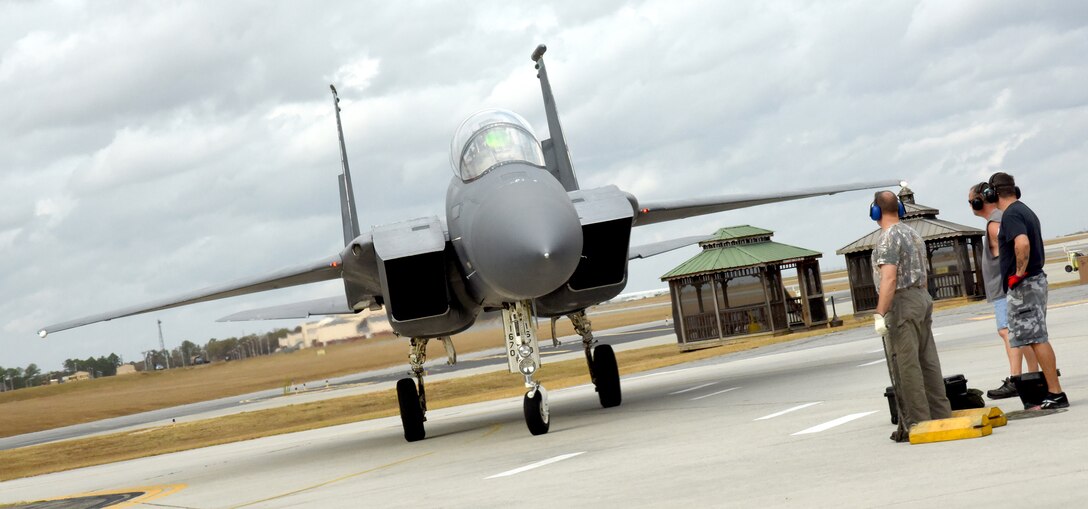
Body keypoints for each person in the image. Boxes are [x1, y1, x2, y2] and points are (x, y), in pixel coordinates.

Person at [870, 190, 951, 441]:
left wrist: (880, 313)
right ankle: (941, 414)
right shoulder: (913, 233)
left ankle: (917, 422)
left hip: (902, 302)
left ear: (875, 211)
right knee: (928, 360)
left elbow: (889, 277)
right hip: (921, 298)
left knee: (906, 365)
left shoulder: (887, 239)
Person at [988, 172, 1068, 409]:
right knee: (1034, 338)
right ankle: (1050, 391)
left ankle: (1055, 392)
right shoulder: (1024, 210)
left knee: (1036, 338)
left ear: (992, 193)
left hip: (1026, 284)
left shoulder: (1011, 214)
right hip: (1033, 282)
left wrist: (1018, 273)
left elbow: (1021, 243)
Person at [967, 183, 1038, 399]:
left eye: (971, 202)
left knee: (1007, 331)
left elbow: (1012, 249)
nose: (971, 206)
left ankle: (1016, 378)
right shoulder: (998, 219)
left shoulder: (994, 223)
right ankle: (1032, 374)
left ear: (980, 201)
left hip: (1002, 287)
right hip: (1003, 285)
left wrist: (1015, 275)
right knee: (1018, 332)